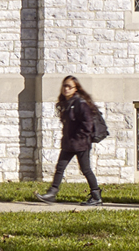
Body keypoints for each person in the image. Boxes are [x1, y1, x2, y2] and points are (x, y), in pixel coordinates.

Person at [36, 75, 107, 204]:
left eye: (69, 87)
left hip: (80, 144)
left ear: (75, 89)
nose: (66, 89)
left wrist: (79, 136)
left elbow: (88, 123)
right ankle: (52, 193)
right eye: (65, 86)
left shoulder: (80, 104)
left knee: (85, 169)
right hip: (70, 143)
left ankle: (96, 196)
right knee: (60, 167)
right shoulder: (68, 103)